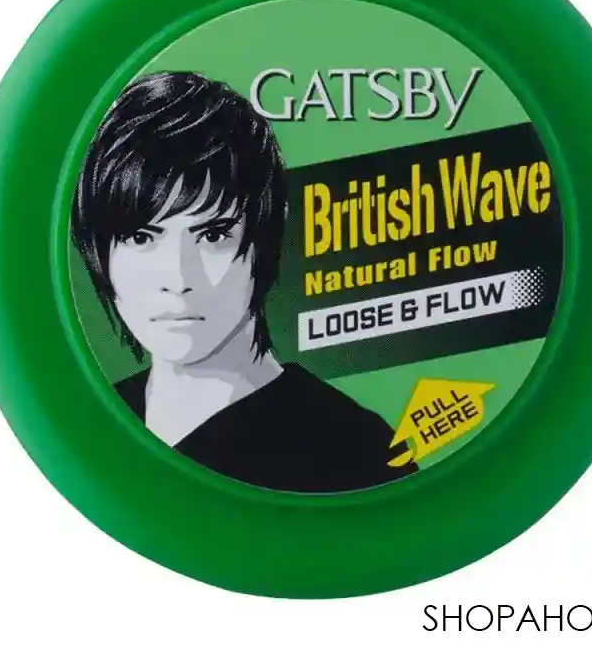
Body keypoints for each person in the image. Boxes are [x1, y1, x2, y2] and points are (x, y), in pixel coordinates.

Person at [71, 71, 417, 492]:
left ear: (263, 240)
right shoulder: (95, 425)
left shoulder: (360, 453)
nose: (178, 278)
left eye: (213, 235)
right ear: (98, 250)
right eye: (142, 237)